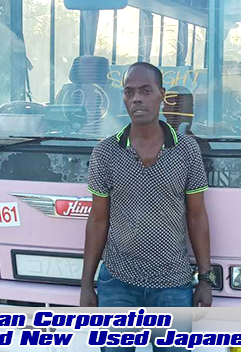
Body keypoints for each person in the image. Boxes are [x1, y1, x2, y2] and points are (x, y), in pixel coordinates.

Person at [80, 62, 213, 311]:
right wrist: (86, 283)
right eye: (129, 92)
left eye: (146, 90)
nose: (137, 98)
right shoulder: (105, 152)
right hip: (117, 282)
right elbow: (97, 220)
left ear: (162, 95)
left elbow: (197, 217)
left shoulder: (187, 149)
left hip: (173, 283)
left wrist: (205, 279)